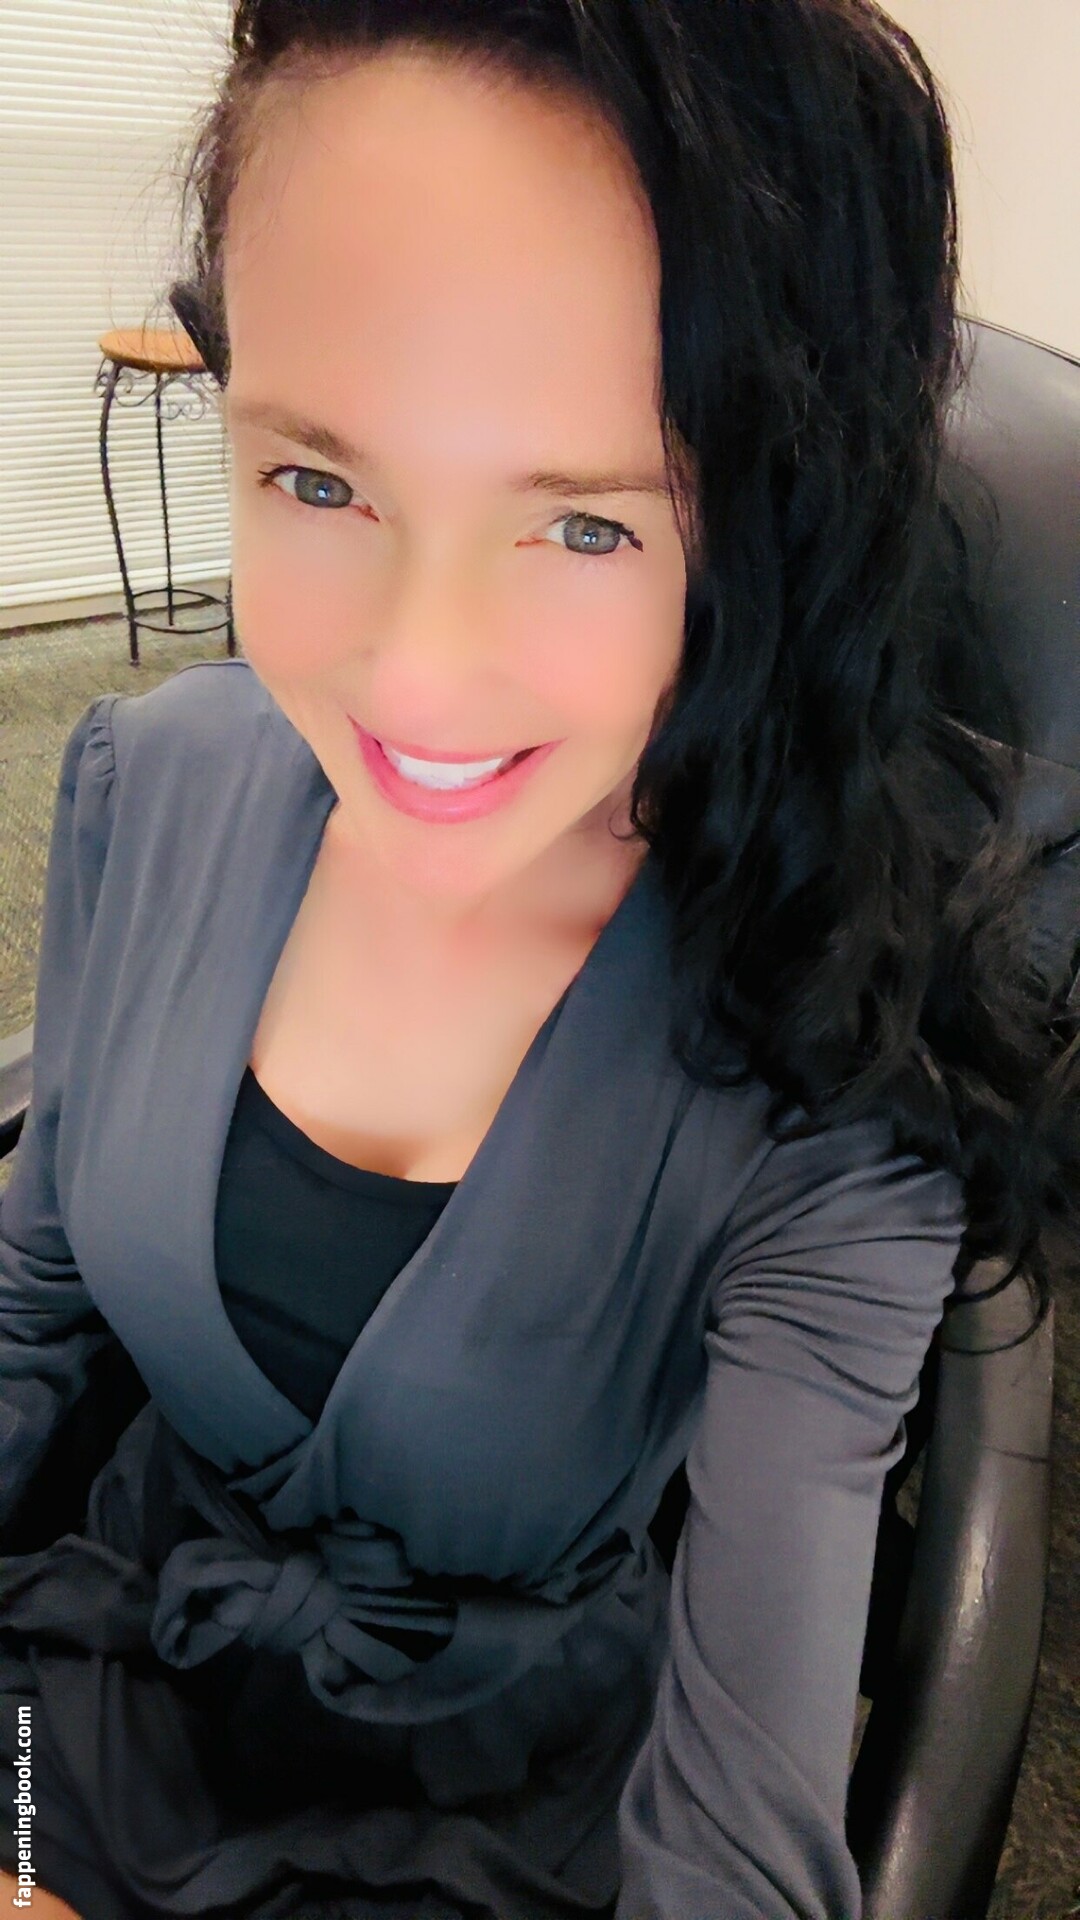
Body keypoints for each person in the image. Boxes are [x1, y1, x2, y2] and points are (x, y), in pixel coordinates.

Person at [1, 3, 1077, 1917]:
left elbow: (738, 1839)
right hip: (75, 1709)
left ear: (759, 531)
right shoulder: (145, 785)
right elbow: (36, 1305)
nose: (414, 678)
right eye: (318, 482)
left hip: (492, 1820)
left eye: (585, 523)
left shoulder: (833, 1046)